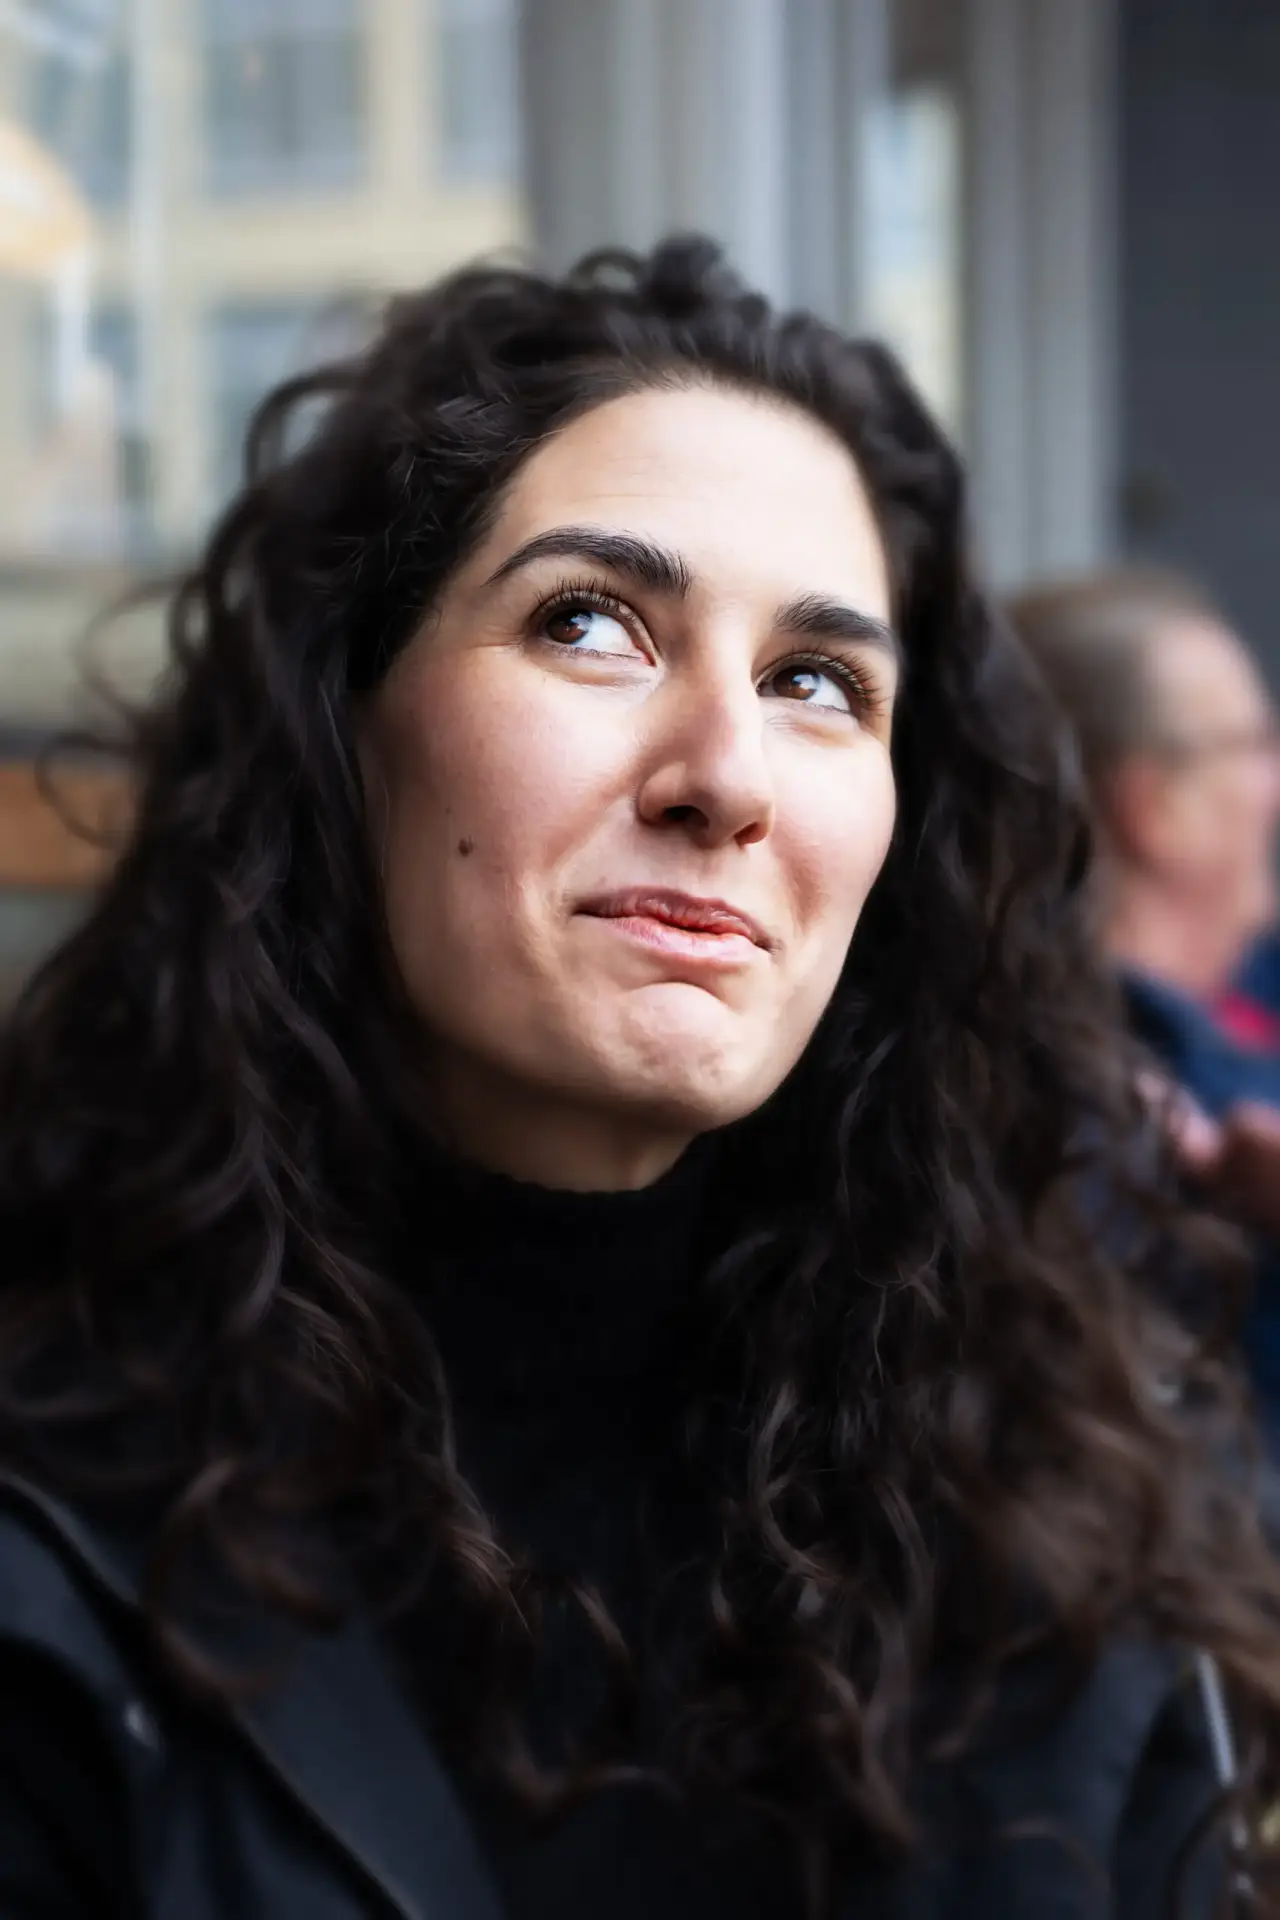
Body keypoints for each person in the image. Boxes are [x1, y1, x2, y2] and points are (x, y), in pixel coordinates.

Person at [0, 240, 1277, 1920]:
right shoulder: (54, 1531)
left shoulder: (1056, 1517)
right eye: (590, 623)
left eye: (818, 681)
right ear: (341, 730)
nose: (726, 777)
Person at [1010, 569, 1280, 1416]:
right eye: (1254, 743)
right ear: (1155, 806)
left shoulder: (1241, 998)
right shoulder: (1109, 1125)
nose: (1276, 778)